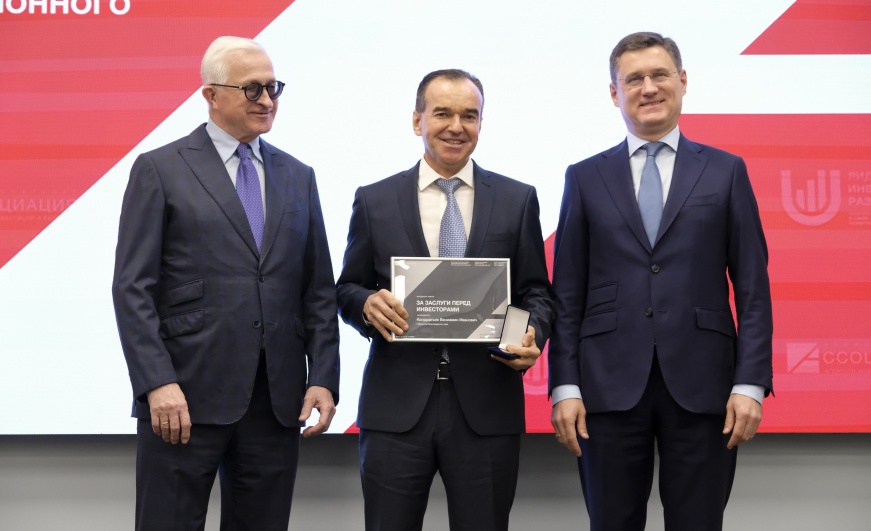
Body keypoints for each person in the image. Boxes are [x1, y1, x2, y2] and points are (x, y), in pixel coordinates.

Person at [111, 36, 340, 531]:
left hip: (276, 401)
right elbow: (132, 289)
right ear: (211, 95)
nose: (267, 99)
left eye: (273, 87)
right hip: (183, 397)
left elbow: (318, 291)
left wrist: (323, 376)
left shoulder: (299, 176)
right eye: (252, 88)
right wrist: (157, 383)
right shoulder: (160, 168)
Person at [548, 32, 773, 531]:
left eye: (659, 75)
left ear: (683, 81)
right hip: (605, 388)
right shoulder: (584, 177)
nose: (648, 88)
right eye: (634, 79)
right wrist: (564, 385)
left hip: (706, 387)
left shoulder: (726, 171)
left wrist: (751, 383)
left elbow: (753, 289)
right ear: (614, 93)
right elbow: (567, 293)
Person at [336, 69, 554, 531]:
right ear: (417, 121)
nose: (457, 126)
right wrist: (365, 305)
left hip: (487, 405)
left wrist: (526, 333)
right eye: (442, 114)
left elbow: (535, 292)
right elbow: (347, 288)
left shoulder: (517, 199)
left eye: (469, 116)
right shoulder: (374, 200)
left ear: (481, 123)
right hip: (396, 408)